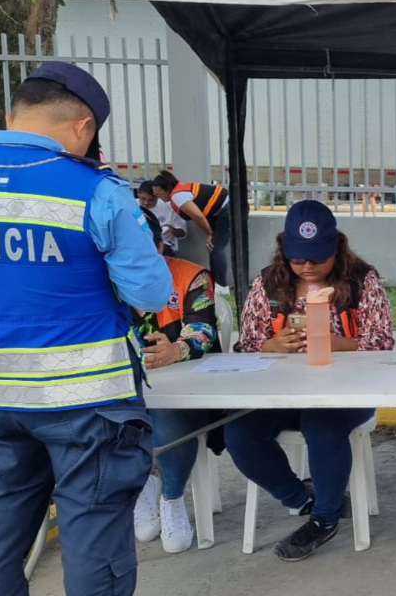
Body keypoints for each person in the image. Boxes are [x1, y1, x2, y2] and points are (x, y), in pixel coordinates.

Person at [0, 62, 171, 596]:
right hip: (89, 403)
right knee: (94, 546)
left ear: (12, 116)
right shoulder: (97, 191)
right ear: (84, 128)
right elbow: (150, 293)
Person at [227, 200, 394, 561]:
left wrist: (341, 344)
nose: (307, 266)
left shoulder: (362, 280)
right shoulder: (269, 283)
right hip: (282, 390)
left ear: (336, 247)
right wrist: (271, 344)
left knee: (320, 422)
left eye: (317, 258)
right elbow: (246, 343)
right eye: (298, 258)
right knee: (239, 432)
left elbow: (383, 343)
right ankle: (302, 499)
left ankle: (324, 519)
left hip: (346, 391)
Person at [131, 209, 220, 554]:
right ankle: (141, 490)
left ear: (160, 246)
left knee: (168, 418)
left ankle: (171, 498)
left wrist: (179, 348)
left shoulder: (191, 276)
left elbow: (203, 329)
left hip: (181, 387)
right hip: (122, 386)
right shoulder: (99, 279)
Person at [152, 170, 231, 290]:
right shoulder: (180, 189)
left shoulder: (177, 196)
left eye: (159, 195)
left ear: (167, 189)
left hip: (227, 210)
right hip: (220, 211)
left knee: (216, 247)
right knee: (214, 247)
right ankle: (216, 283)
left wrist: (209, 233)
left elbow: (198, 216)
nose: (159, 198)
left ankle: (221, 286)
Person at [137, 179, 188, 254]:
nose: (146, 202)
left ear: (157, 196)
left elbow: (183, 233)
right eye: (143, 198)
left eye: (151, 200)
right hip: (139, 247)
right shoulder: (131, 206)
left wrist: (171, 229)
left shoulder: (170, 207)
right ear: (138, 193)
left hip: (165, 247)